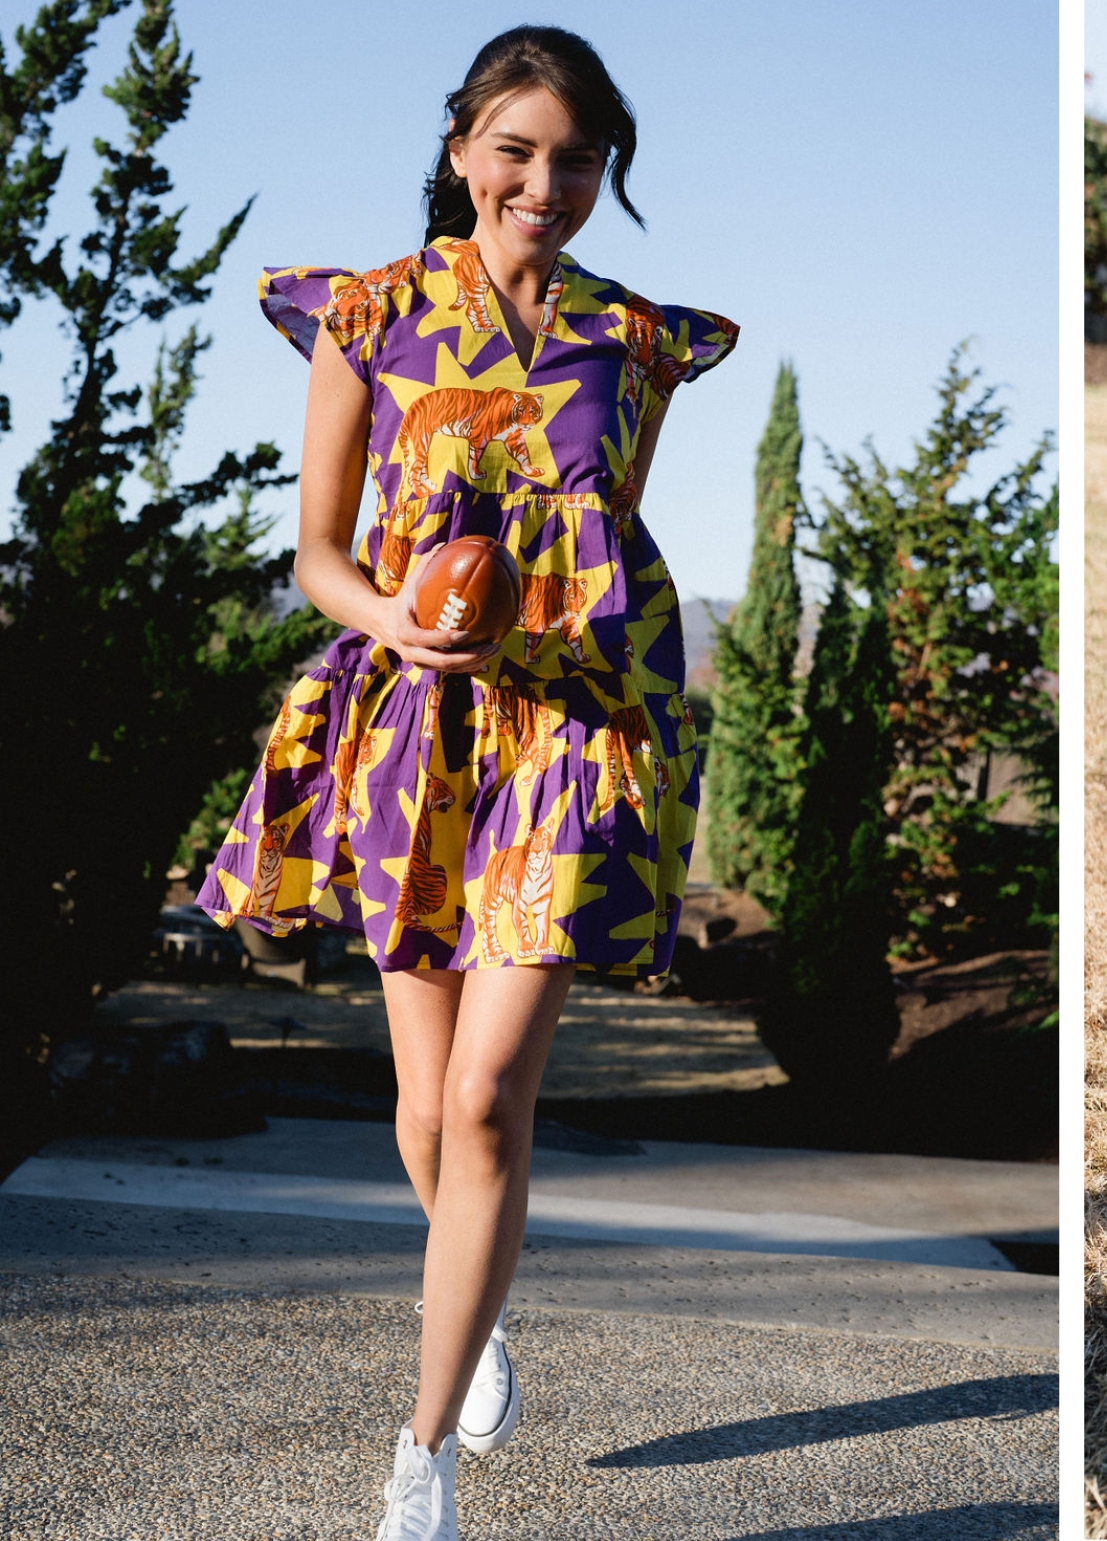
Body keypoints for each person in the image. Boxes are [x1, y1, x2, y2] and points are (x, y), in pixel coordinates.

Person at [196, 26, 736, 1540]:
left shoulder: (637, 344)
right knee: (426, 1108)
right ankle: (473, 1302)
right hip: (415, 725)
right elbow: (320, 553)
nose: (545, 183)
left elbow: (603, 540)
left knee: (491, 1098)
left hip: (570, 731)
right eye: (517, 150)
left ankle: (419, 1457)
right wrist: (396, 618)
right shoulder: (366, 314)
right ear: (461, 152)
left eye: (578, 159)